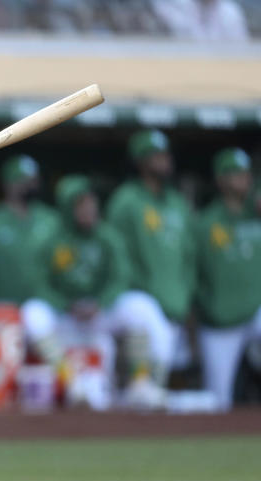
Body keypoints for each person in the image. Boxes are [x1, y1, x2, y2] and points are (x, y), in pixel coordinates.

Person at [23, 175, 173, 410]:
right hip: (67, 315)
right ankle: (71, 381)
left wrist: (101, 303)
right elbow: (39, 284)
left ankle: (142, 383)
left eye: (91, 203)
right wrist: (65, 304)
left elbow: (121, 277)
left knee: (141, 307)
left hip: (99, 313)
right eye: (81, 205)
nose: (89, 210)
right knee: (32, 313)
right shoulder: (51, 239)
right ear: (67, 208)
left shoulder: (107, 237)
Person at [106, 129, 196, 384]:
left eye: (166, 154)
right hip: (141, 301)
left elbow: (189, 255)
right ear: (140, 161)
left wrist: (184, 293)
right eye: (156, 155)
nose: (164, 160)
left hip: (175, 304)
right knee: (143, 381)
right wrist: (141, 289)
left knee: (160, 380)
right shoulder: (125, 201)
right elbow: (115, 254)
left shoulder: (177, 202)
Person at [0, 154, 61, 359]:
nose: (30, 185)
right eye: (24, 180)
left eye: (33, 180)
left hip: (47, 311)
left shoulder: (52, 221)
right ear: (8, 184)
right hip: (2, 315)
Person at [195, 148, 261, 410]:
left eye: (247, 174)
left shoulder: (256, 214)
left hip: (256, 310)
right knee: (217, 399)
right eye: (236, 174)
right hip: (220, 319)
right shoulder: (207, 221)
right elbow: (194, 272)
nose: (244, 180)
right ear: (221, 180)